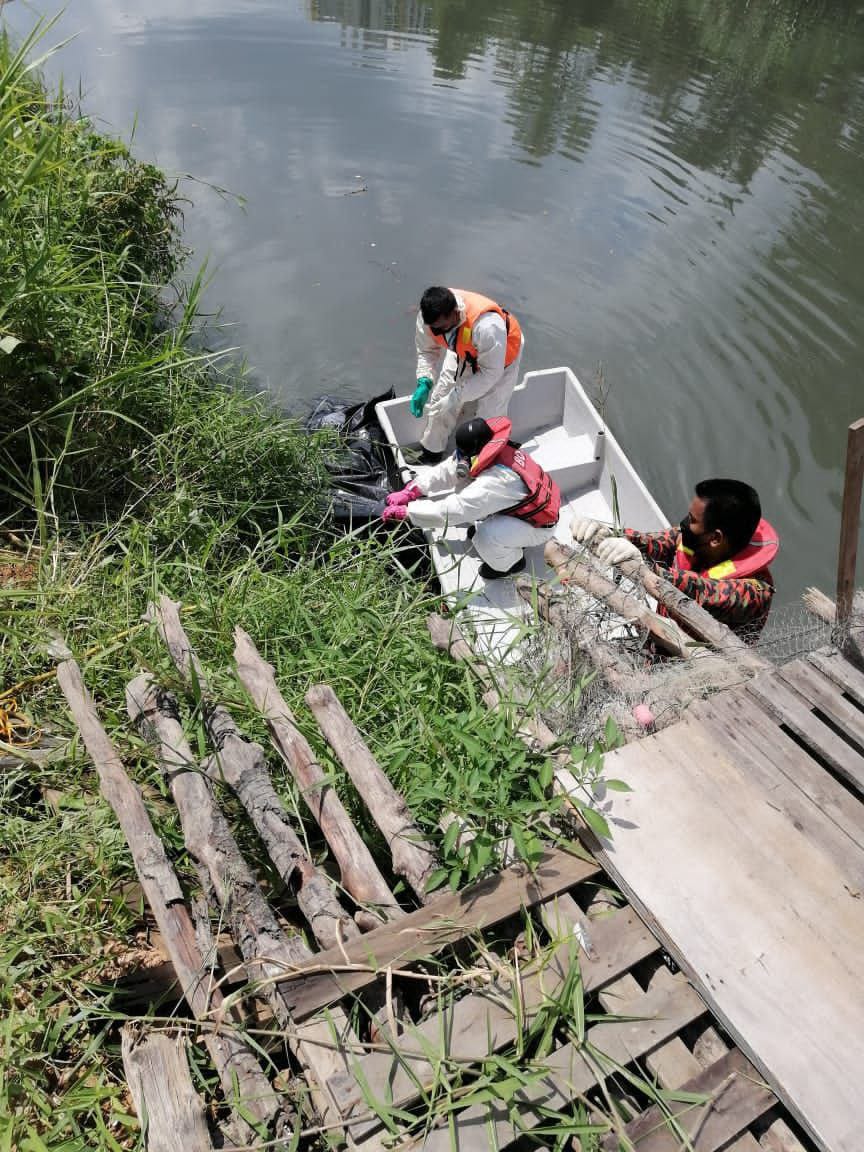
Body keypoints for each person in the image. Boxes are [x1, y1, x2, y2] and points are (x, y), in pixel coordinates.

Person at [571, 478, 778, 640]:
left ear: (715, 538)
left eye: (692, 520)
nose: (684, 523)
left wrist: (646, 568)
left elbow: (703, 591)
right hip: (662, 636)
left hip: (696, 667)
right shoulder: (695, 538)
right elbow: (654, 541)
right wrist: (606, 533)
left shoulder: (755, 594)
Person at [381, 416, 560, 578]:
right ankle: (509, 539)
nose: (461, 461)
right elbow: (449, 469)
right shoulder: (494, 449)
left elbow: (455, 510)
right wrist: (414, 489)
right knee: (467, 489)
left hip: (537, 526)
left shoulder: (498, 480)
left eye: (464, 457)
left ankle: (510, 563)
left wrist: (408, 512)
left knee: (484, 537)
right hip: (520, 509)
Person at [410, 287, 524, 465]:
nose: (437, 333)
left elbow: (490, 375)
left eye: (441, 328)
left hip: (499, 360)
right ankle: (432, 452)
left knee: (489, 415)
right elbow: (426, 351)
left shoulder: (487, 326)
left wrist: (456, 396)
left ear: (455, 313)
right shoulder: (429, 318)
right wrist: (424, 381)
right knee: (440, 397)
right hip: (463, 351)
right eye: (434, 329)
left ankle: (482, 462)